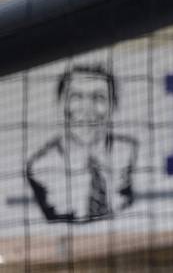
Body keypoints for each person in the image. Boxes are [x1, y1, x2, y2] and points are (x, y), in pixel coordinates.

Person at [26, 64, 138, 223]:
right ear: (60, 105)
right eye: (76, 97)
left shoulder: (129, 151)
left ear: (113, 105)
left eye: (98, 98)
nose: (87, 109)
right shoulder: (41, 166)